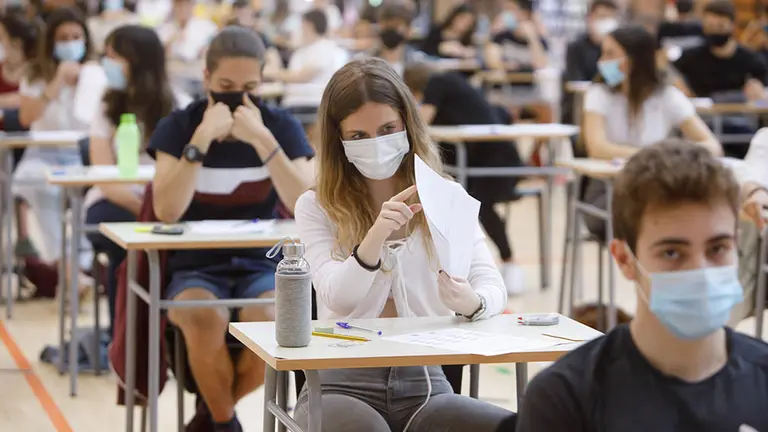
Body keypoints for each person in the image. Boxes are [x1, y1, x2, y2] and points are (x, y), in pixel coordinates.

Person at [294, 57, 511, 432]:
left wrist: (473, 303)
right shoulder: (316, 206)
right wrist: (375, 236)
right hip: (339, 381)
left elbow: (491, 283)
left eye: (388, 129)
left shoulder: (445, 197)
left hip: (426, 383)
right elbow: (338, 298)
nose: (376, 144)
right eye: (358, 136)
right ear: (338, 139)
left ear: (407, 125)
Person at [513, 140, 768, 432]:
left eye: (718, 248)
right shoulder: (566, 398)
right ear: (625, 259)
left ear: (737, 244)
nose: (701, 271)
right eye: (672, 253)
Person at [148, 26, 314, 431]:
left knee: (273, 318)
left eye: (250, 87)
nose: (238, 96)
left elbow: (304, 205)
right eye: (225, 86)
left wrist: (263, 141)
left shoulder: (280, 125)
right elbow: (167, 210)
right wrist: (200, 140)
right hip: (195, 265)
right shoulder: (179, 126)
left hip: (263, 262)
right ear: (205, 78)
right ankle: (226, 424)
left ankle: (211, 417)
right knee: (203, 314)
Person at [84, 25, 190, 339]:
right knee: (127, 249)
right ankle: (126, 339)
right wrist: (147, 207)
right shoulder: (107, 106)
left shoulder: (178, 105)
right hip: (115, 201)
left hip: (164, 202)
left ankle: (166, 339)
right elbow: (103, 175)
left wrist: (160, 205)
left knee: (175, 252)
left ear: (137, 60)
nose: (107, 63)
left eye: (113, 56)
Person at [581, 25, 721, 239]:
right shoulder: (598, 94)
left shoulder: (667, 96)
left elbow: (712, 146)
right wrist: (655, 156)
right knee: (659, 219)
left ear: (633, 60)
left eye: (610, 54)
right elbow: (597, 147)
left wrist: (671, 156)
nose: (602, 61)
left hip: (656, 187)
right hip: (609, 192)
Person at [403, 62, 525, 294]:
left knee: (479, 207)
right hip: (482, 159)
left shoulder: (439, 83)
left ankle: (510, 264)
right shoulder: (450, 89)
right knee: (468, 206)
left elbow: (420, 122)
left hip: (498, 158)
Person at [16, 7, 97, 290]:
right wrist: (57, 83)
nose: (71, 42)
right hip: (43, 155)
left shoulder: (96, 74)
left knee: (85, 200)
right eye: (63, 37)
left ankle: (78, 270)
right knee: (40, 185)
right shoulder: (35, 74)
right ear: (51, 42)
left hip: (85, 155)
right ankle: (70, 270)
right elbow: (27, 117)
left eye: (76, 36)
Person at [0, 13, 39, 259]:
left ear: (16, 43)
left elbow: (30, 107)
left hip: (30, 143)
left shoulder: (35, 71)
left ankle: (25, 239)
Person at [673, 0, 767, 101]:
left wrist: (758, 89)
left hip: (737, 113)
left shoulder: (750, 59)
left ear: (733, 25)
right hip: (701, 113)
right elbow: (669, 72)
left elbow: (762, 85)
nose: (715, 31)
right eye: (710, 27)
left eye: (720, 26)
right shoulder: (691, 56)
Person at [264, 9, 348, 117]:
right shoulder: (302, 50)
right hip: (295, 102)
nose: (299, 30)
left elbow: (303, 76)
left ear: (309, 25)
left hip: (310, 103)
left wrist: (272, 73)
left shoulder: (325, 48)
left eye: (301, 25)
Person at [561, 0, 619, 125]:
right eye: (602, 17)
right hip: (581, 107)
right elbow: (576, 82)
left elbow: (617, 79)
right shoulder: (576, 47)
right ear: (590, 18)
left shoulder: (619, 50)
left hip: (613, 107)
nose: (606, 22)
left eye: (610, 18)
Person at [485, 0, 548, 72]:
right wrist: (505, 65)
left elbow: (541, 65)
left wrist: (532, 38)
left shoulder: (538, 39)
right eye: (506, 10)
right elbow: (491, 62)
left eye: (511, 9)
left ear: (525, 13)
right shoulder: (501, 36)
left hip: (531, 82)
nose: (507, 14)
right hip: (507, 81)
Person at [369, 0, 428, 76]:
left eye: (396, 25)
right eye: (386, 24)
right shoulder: (365, 63)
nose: (390, 29)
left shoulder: (418, 64)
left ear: (408, 29)